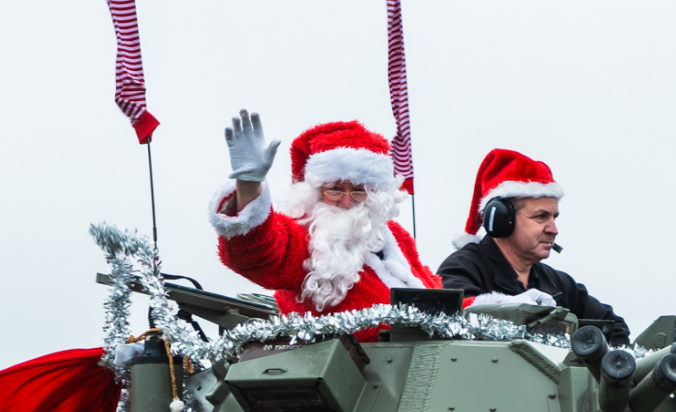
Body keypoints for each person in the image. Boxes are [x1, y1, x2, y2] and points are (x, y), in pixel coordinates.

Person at [209, 110, 440, 339]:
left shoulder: (393, 236)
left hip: (420, 357)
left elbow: (435, 295)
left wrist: (476, 305)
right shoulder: (306, 234)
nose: (347, 201)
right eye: (335, 189)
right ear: (316, 191)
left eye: (359, 191)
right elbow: (262, 254)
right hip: (349, 366)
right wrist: (249, 186)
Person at [438, 148, 630, 346]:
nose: (553, 230)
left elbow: (614, 328)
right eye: (541, 217)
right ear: (503, 219)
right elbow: (455, 317)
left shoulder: (558, 283)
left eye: (554, 217)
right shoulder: (461, 269)